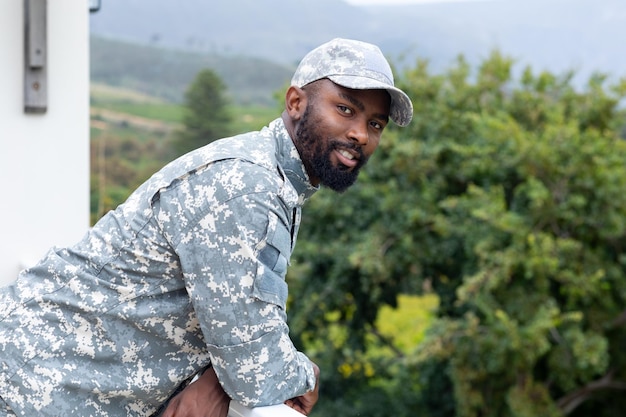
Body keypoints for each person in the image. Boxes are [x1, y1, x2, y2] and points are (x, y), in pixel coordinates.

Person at [0, 38, 412, 417]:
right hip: (28, 385)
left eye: (375, 124)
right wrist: (308, 374)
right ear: (296, 102)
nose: (360, 134)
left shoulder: (277, 181)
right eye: (345, 109)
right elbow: (256, 370)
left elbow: (240, 326)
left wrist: (221, 375)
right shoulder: (246, 187)